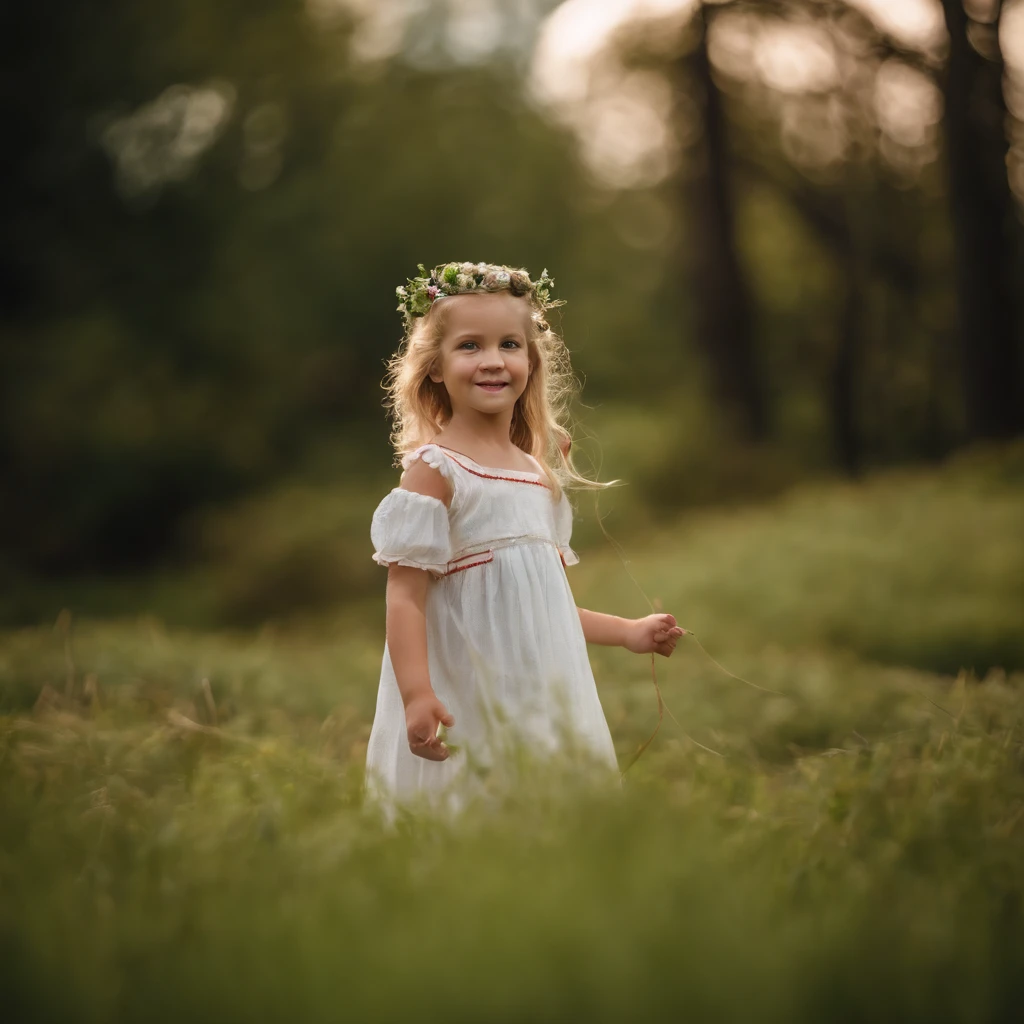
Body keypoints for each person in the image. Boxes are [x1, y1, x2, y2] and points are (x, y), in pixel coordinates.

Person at [365, 261, 684, 811]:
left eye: (510, 343)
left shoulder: (537, 475)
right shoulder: (437, 471)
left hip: (543, 692)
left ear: (531, 362)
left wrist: (629, 632)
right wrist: (418, 693)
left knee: (549, 812)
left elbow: (544, 603)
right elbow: (405, 596)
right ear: (435, 367)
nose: (493, 360)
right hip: (467, 690)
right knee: (473, 808)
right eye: (470, 346)